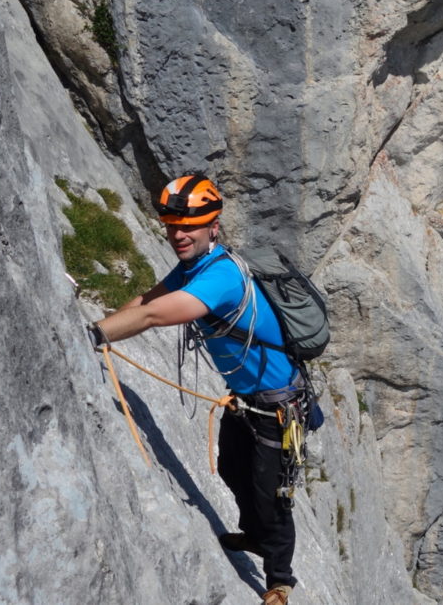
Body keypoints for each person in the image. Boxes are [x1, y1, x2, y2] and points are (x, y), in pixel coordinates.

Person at [88, 174, 300, 605]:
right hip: (244, 397)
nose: (178, 235)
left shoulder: (220, 276)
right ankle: (255, 537)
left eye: (189, 226)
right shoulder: (193, 267)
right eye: (171, 226)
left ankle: (280, 581)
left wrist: (92, 335)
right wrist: (101, 325)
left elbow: (155, 317)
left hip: (276, 407)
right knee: (231, 471)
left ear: (213, 227)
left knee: (269, 495)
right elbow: (148, 301)